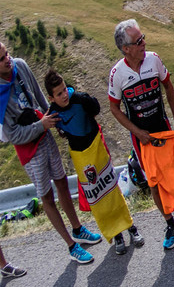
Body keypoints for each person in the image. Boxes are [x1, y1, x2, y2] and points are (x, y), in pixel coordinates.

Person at [107, 19, 174, 247]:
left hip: (163, 128)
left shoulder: (153, 59)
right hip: (141, 137)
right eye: (138, 41)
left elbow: (168, 85)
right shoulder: (117, 74)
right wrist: (137, 132)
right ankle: (171, 224)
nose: (144, 43)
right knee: (153, 182)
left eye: (143, 38)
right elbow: (113, 107)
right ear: (126, 48)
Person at [0, 42, 102, 262]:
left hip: (45, 134)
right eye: (1, 59)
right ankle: (71, 245)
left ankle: (77, 229)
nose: (7, 59)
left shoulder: (20, 66)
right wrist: (42, 125)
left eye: (6, 53)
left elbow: (39, 97)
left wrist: (57, 120)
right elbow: (14, 135)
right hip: (29, 150)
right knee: (46, 196)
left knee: (62, 181)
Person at [44, 69, 143, 253]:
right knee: (97, 198)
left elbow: (96, 109)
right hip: (80, 157)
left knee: (111, 189)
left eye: (65, 89)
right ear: (51, 97)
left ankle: (130, 227)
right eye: (59, 93)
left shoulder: (79, 99)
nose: (64, 94)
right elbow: (53, 126)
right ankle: (116, 234)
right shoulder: (53, 113)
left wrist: (88, 101)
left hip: (97, 148)